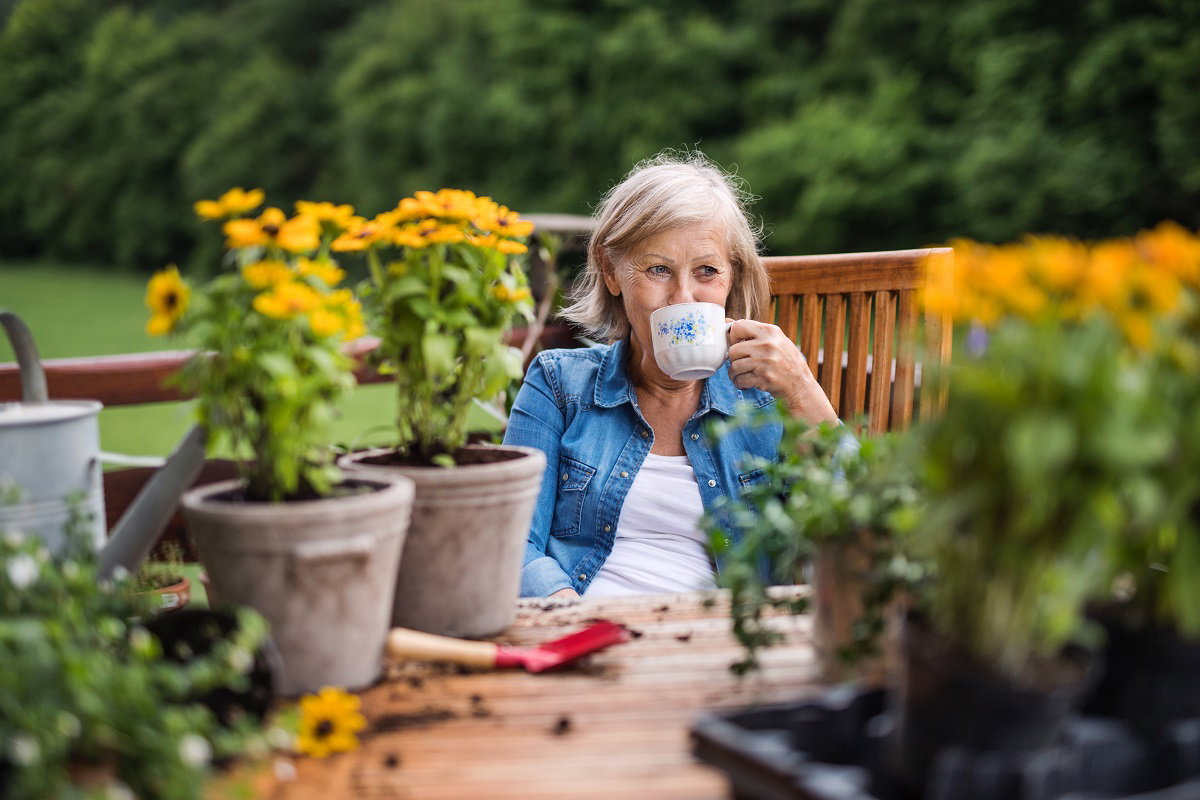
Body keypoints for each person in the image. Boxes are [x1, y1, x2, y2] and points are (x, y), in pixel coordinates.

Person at [503, 150, 838, 599]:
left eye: (706, 271)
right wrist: (573, 623)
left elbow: (858, 528)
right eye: (659, 269)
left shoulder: (767, 403)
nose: (683, 297)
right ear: (611, 271)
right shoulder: (559, 385)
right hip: (580, 630)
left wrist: (803, 393)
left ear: (730, 279)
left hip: (714, 644)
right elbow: (511, 543)